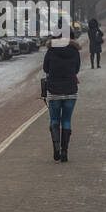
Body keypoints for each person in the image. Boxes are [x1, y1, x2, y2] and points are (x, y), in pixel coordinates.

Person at [43, 30, 80, 162]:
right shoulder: (74, 51)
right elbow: (77, 69)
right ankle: (65, 152)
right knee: (66, 120)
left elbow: (45, 68)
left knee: (54, 120)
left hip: (54, 91)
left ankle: (56, 149)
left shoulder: (51, 50)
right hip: (70, 90)